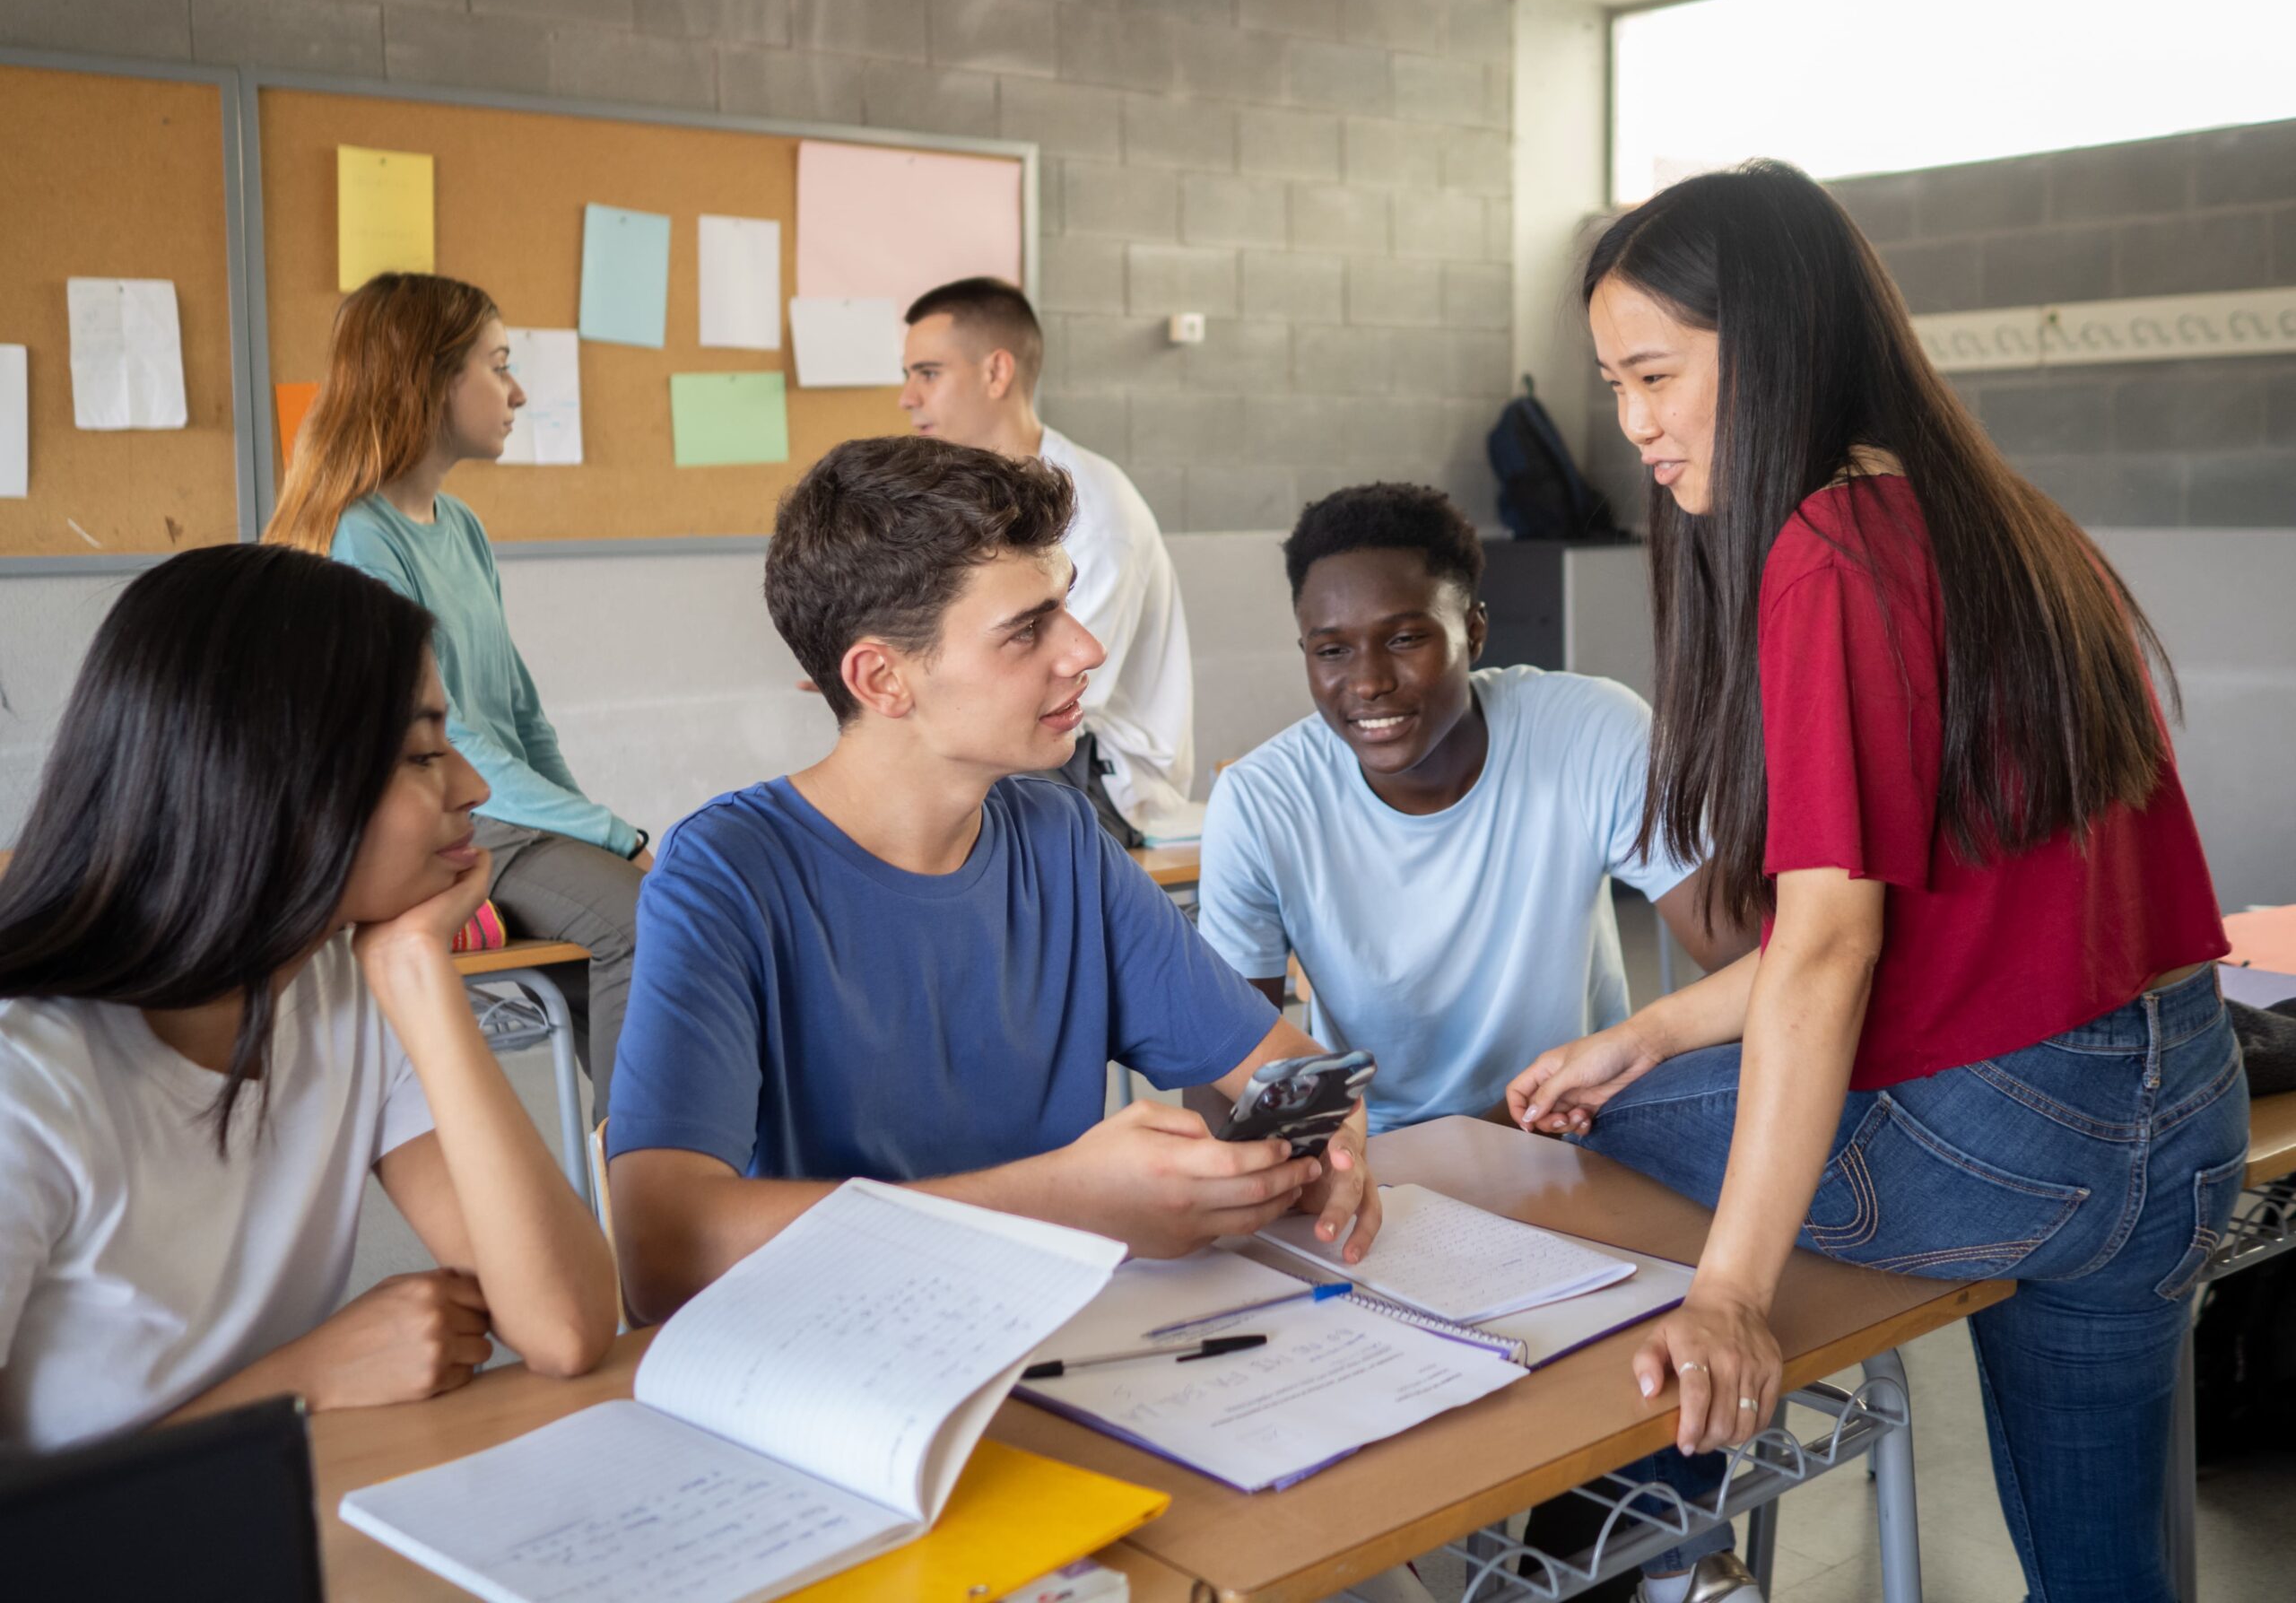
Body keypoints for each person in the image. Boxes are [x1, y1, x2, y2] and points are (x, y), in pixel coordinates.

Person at [1503, 161, 2244, 1603]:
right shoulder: (2009, 522)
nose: (1636, 425)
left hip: (2018, 1134)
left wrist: (1730, 1296)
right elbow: (1913, 924)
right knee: (2107, 1578)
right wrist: (1650, 1026)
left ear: (1771, 342)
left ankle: (1654, 1549)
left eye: (1656, 374)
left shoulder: (1826, 550)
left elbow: (1834, 953)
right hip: (2181, 1103)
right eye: (1614, 384)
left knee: (1553, 1151)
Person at [604, 436, 1378, 1326]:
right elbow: (662, 1254)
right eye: (1026, 629)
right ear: (881, 678)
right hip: (839, 1362)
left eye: (1067, 606)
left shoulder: (1059, 839)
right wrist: (1066, 1197)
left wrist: (1318, 1143)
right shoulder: (725, 875)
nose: (1084, 649)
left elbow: (1281, 1072)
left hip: (1054, 1342)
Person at [0, 545, 618, 1451]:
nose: (474, 789)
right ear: (272, 781)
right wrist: (298, 1382)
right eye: (421, 754)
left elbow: (565, 1325)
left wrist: (418, 970)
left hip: (251, 1518)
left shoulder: (337, 983)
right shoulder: (26, 1082)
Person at [1196, 482, 1750, 1134]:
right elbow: (1220, 1074)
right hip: (1384, 1160)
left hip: (1576, 1131)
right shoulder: (1262, 803)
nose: (1369, 681)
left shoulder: (1589, 732)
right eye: (1332, 651)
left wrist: (1648, 1037)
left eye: (1404, 639)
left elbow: (1757, 961)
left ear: (1475, 629)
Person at [265, 273, 646, 1120]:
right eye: (498, 364)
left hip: (491, 810)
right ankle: (650, 1186)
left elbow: (517, 710)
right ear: (429, 380)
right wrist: (617, 838)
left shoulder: (461, 525)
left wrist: (591, 823)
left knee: (644, 915)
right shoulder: (359, 535)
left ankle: (637, 1165)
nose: (516, 392)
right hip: (427, 814)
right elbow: (452, 737)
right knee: (645, 924)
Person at [898, 276, 1194, 847]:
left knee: (933, 807)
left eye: (928, 373)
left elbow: (1060, 691)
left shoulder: (1096, 511)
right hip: (1023, 736)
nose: (907, 397)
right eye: (908, 375)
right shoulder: (975, 499)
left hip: (1101, 777)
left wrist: (915, 678)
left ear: (996, 372)